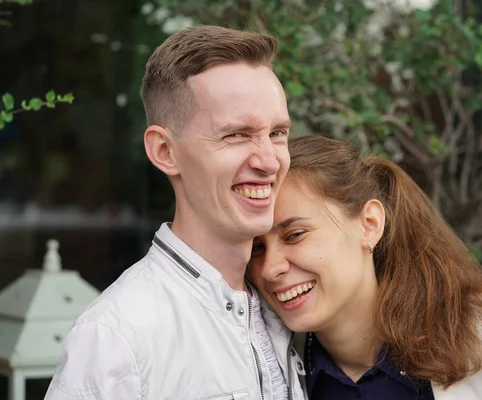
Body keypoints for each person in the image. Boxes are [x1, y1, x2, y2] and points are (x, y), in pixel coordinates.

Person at [45, 25, 306, 400]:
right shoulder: (116, 338)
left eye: (278, 133)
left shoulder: (292, 305)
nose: (269, 161)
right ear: (165, 151)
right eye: (236, 134)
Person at [248, 135, 482, 400]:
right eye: (256, 247)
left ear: (369, 225)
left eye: (295, 235)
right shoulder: (257, 360)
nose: (269, 268)